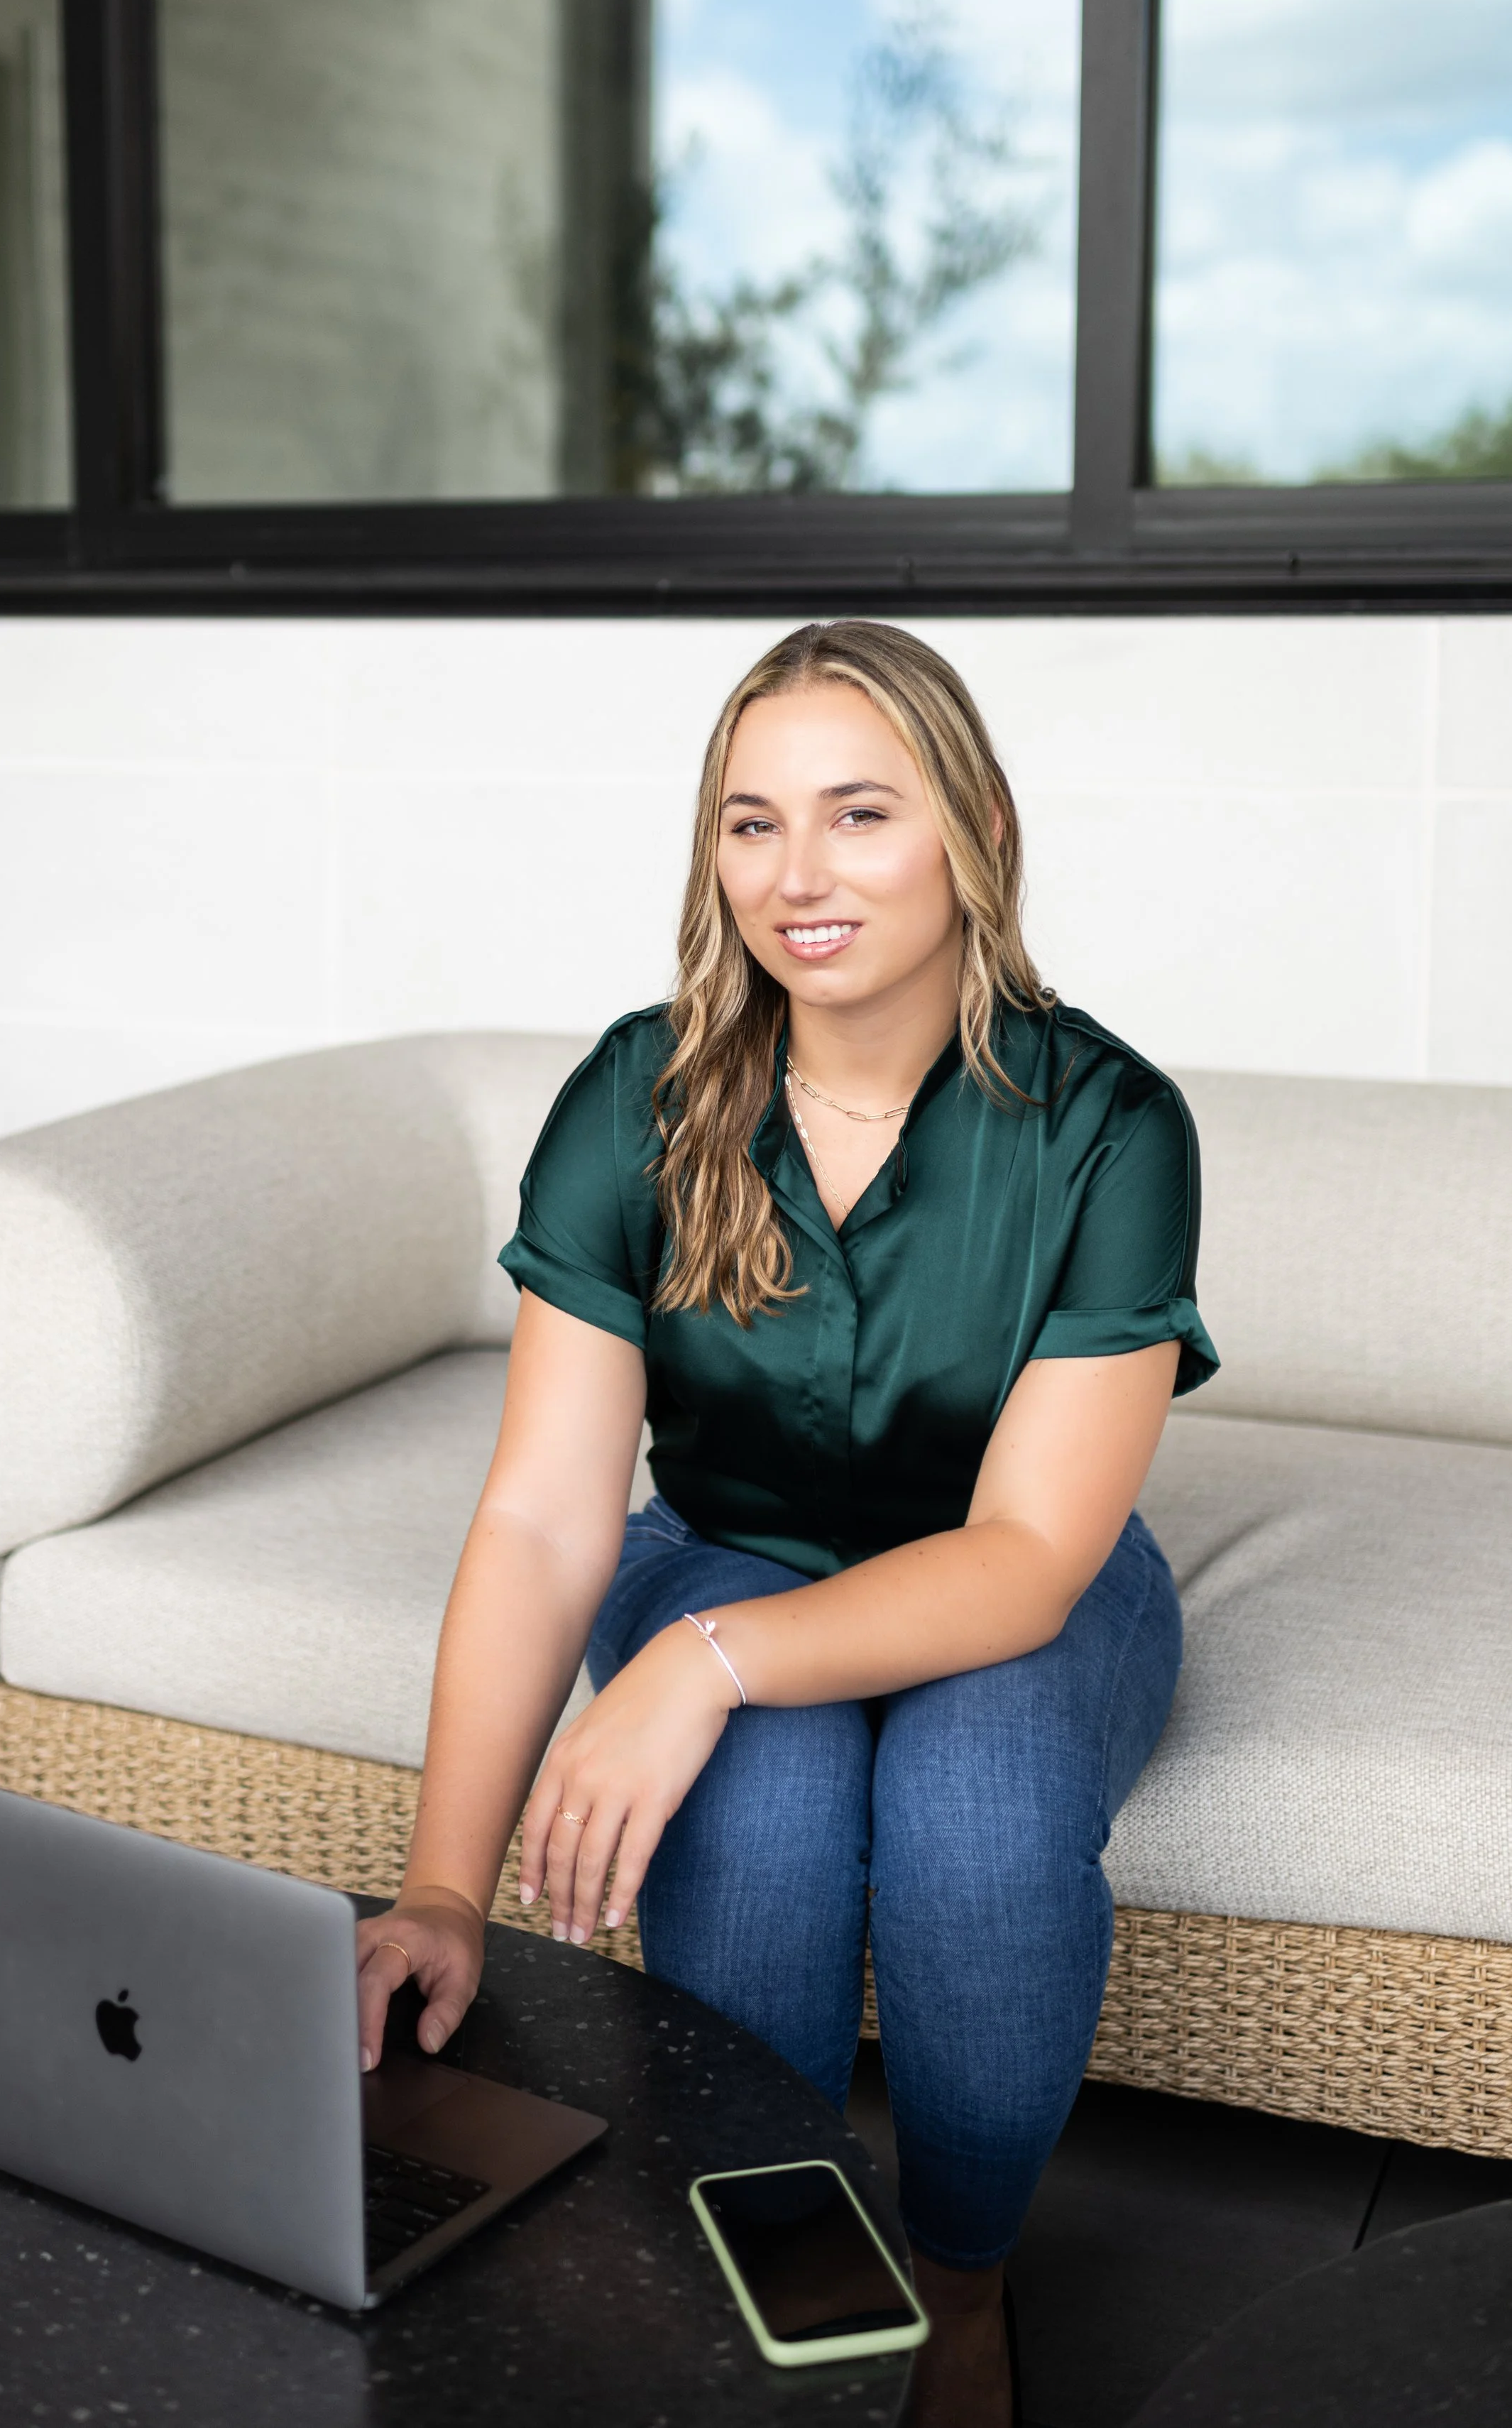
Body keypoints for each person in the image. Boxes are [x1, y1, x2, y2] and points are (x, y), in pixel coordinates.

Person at [354, 619, 1215, 2427]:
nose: (796, 876)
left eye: (857, 814)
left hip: (1018, 1579)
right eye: (751, 823)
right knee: (758, 1810)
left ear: (971, 827)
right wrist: (440, 1888)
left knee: (978, 1818)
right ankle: (798, 2297)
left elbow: (1025, 1556)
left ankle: (960, 2292)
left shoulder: (1110, 1125)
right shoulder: (640, 1095)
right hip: (728, 1539)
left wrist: (700, 1664)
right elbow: (543, 1518)